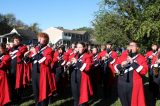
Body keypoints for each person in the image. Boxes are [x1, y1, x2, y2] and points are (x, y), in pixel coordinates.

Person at [25, 33, 56, 106]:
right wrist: (26, 57)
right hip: (35, 72)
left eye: (42, 38)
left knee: (43, 92)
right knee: (36, 92)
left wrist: (36, 54)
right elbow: (29, 61)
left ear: (46, 40)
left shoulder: (49, 50)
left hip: (43, 73)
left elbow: (47, 62)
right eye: (39, 38)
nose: (40, 39)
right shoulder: (36, 48)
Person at [114, 41, 148, 106]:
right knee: (124, 103)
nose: (131, 47)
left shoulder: (141, 58)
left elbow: (144, 71)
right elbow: (115, 67)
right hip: (121, 84)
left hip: (133, 86)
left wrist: (133, 63)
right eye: (130, 45)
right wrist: (120, 65)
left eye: (133, 45)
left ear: (137, 48)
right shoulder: (123, 56)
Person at [70, 42, 93, 106]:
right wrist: (69, 64)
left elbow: (87, 68)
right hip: (74, 77)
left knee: (82, 98)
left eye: (80, 47)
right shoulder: (75, 55)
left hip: (82, 78)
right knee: (75, 97)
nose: (78, 49)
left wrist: (77, 62)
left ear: (84, 48)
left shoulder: (88, 56)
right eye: (77, 47)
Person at [9, 36, 27, 102]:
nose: (16, 42)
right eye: (14, 40)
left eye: (17, 40)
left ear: (20, 41)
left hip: (19, 67)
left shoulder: (23, 47)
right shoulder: (11, 48)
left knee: (19, 82)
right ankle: (13, 96)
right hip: (11, 67)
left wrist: (13, 48)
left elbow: (19, 54)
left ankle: (19, 97)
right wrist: (11, 48)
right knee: (12, 81)